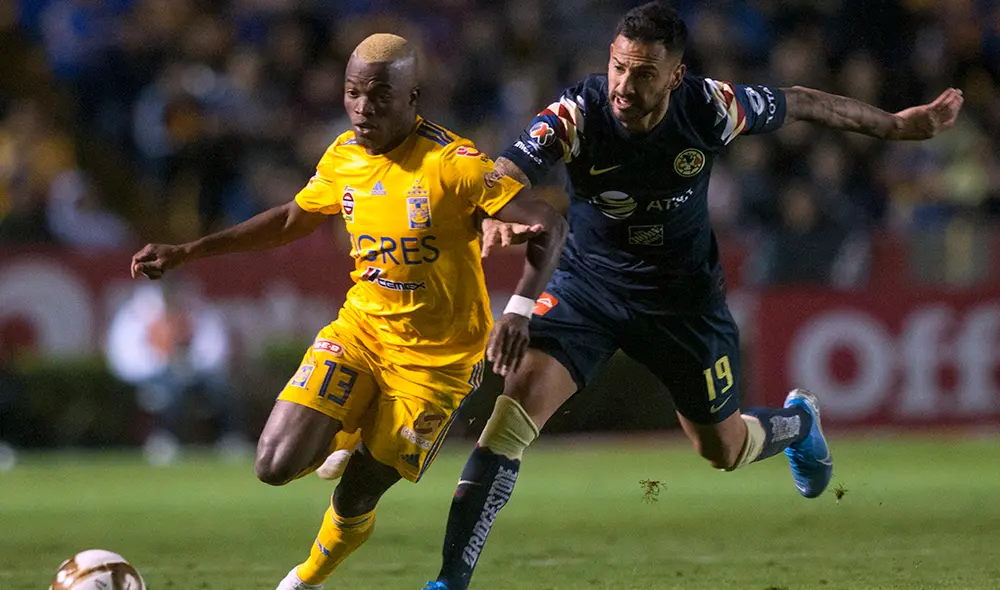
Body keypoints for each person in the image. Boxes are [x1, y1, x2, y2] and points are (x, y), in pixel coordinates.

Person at [423, 3, 964, 589]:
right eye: (618, 68)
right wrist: (495, 208)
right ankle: (449, 583)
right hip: (589, 287)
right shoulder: (578, 112)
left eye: (644, 73)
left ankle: (798, 424)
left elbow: (803, 101)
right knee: (511, 416)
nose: (625, 85)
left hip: (683, 302)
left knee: (724, 449)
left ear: (675, 75)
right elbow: (507, 166)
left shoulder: (710, 107)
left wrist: (896, 126)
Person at [130, 33, 567, 590]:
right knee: (274, 464)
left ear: (414, 97)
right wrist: (190, 251)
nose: (363, 108)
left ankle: (304, 579)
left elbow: (550, 224)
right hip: (362, 331)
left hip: (438, 363)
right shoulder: (343, 157)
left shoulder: (453, 164)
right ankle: (349, 430)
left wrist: (520, 310)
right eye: (353, 93)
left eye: (381, 95)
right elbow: (293, 217)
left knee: (358, 489)